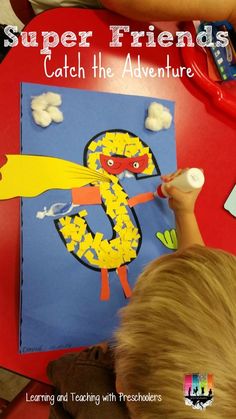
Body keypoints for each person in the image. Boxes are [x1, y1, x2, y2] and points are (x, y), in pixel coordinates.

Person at [47, 169, 236, 418]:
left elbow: (57, 369)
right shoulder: (206, 394)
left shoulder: (89, 381)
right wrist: (184, 213)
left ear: (121, 386)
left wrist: (96, 354)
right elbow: (202, 313)